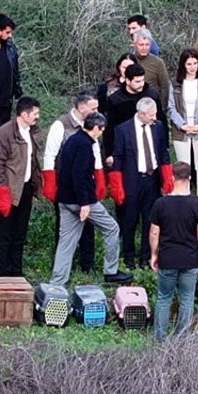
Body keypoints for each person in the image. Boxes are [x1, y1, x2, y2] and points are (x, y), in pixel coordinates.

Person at [49, 113, 130, 286]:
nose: (101, 133)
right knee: (112, 228)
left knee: (66, 242)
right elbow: (79, 175)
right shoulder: (85, 145)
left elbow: (65, 170)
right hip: (82, 201)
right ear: (95, 128)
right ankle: (111, 271)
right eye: (101, 130)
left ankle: (57, 282)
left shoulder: (72, 139)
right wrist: (84, 203)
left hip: (65, 199)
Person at [109, 97, 172, 270]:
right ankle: (128, 257)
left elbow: (163, 152)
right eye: (151, 115)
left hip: (152, 180)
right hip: (132, 180)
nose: (154, 118)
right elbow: (118, 157)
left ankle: (146, 257)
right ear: (141, 114)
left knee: (150, 221)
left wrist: (167, 178)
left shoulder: (158, 127)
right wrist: (117, 185)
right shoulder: (122, 129)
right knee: (129, 220)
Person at [43, 92, 102, 274]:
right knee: (65, 226)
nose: (96, 111)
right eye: (93, 108)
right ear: (81, 107)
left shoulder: (92, 125)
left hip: (86, 183)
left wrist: (100, 179)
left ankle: (87, 264)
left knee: (88, 225)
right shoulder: (60, 125)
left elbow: (96, 152)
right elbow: (50, 154)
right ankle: (62, 265)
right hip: (66, 185)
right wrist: (50, 183)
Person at [149, 161, 198, 340]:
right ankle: (182, 338)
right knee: (187, 299)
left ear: (172, 177)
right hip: (189, 259)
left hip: (167, 258)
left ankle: (160, 337)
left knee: (164, 298)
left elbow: (154, 232)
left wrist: (154, 254)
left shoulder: (160, 203)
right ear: (190, 178)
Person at [0, 96, 42, 277]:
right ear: (24, 114)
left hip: (25, 187)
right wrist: (1, 193)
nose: (38, 117)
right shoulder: (4, 134)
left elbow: (33, 161)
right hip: (8, 189)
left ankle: (16, 269)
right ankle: (3, 270)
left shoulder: (30, 131)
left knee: (20, 232)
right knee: (6, 232)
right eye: (35, 113)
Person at [167, 49, 198, 195]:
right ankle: (183, 196)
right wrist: (182, 125)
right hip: (181, 130)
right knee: (183, 166)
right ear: (183, 65)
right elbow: (171, 107)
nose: (192, 67)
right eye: (189, 64)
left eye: (195, 63)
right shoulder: (175, 83)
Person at [103, 62, 162, 159]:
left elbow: (160, 120)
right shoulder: (115, 100)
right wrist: (109, 153)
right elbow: (109, 128)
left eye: (142, 80)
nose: (141, 84)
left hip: (149, 143)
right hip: (125, 146)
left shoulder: (152, 95)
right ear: (127, 80)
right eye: (137, 82)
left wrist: (164, 145)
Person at [132, 29, 171, 116]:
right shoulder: (129, 60)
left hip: (152, 106)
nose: (144, 48)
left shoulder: (158, 62)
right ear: (135, 45)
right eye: (141, 44)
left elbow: (165, 87)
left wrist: (162, 107)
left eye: (147, 44)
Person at [97, 52, 139, 123]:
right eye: (124, 67)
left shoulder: (141, 86)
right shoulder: (108, 85)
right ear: (119, 67)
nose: (127, 70)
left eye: (131, 67)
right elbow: (100, 107)